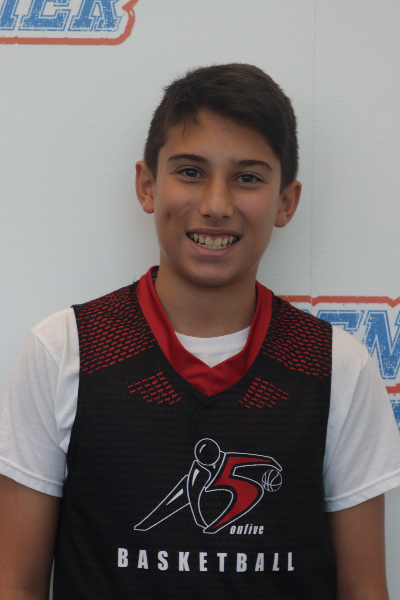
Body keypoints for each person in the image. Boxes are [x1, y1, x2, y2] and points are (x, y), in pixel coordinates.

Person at [0, 63, 399, 600]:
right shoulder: (65, 350)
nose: (215, 205)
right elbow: (17, 584)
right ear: (147, 185)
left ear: (285, 202)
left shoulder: (337, 368)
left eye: (247, 177)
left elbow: (364, 587)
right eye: (190, 171)